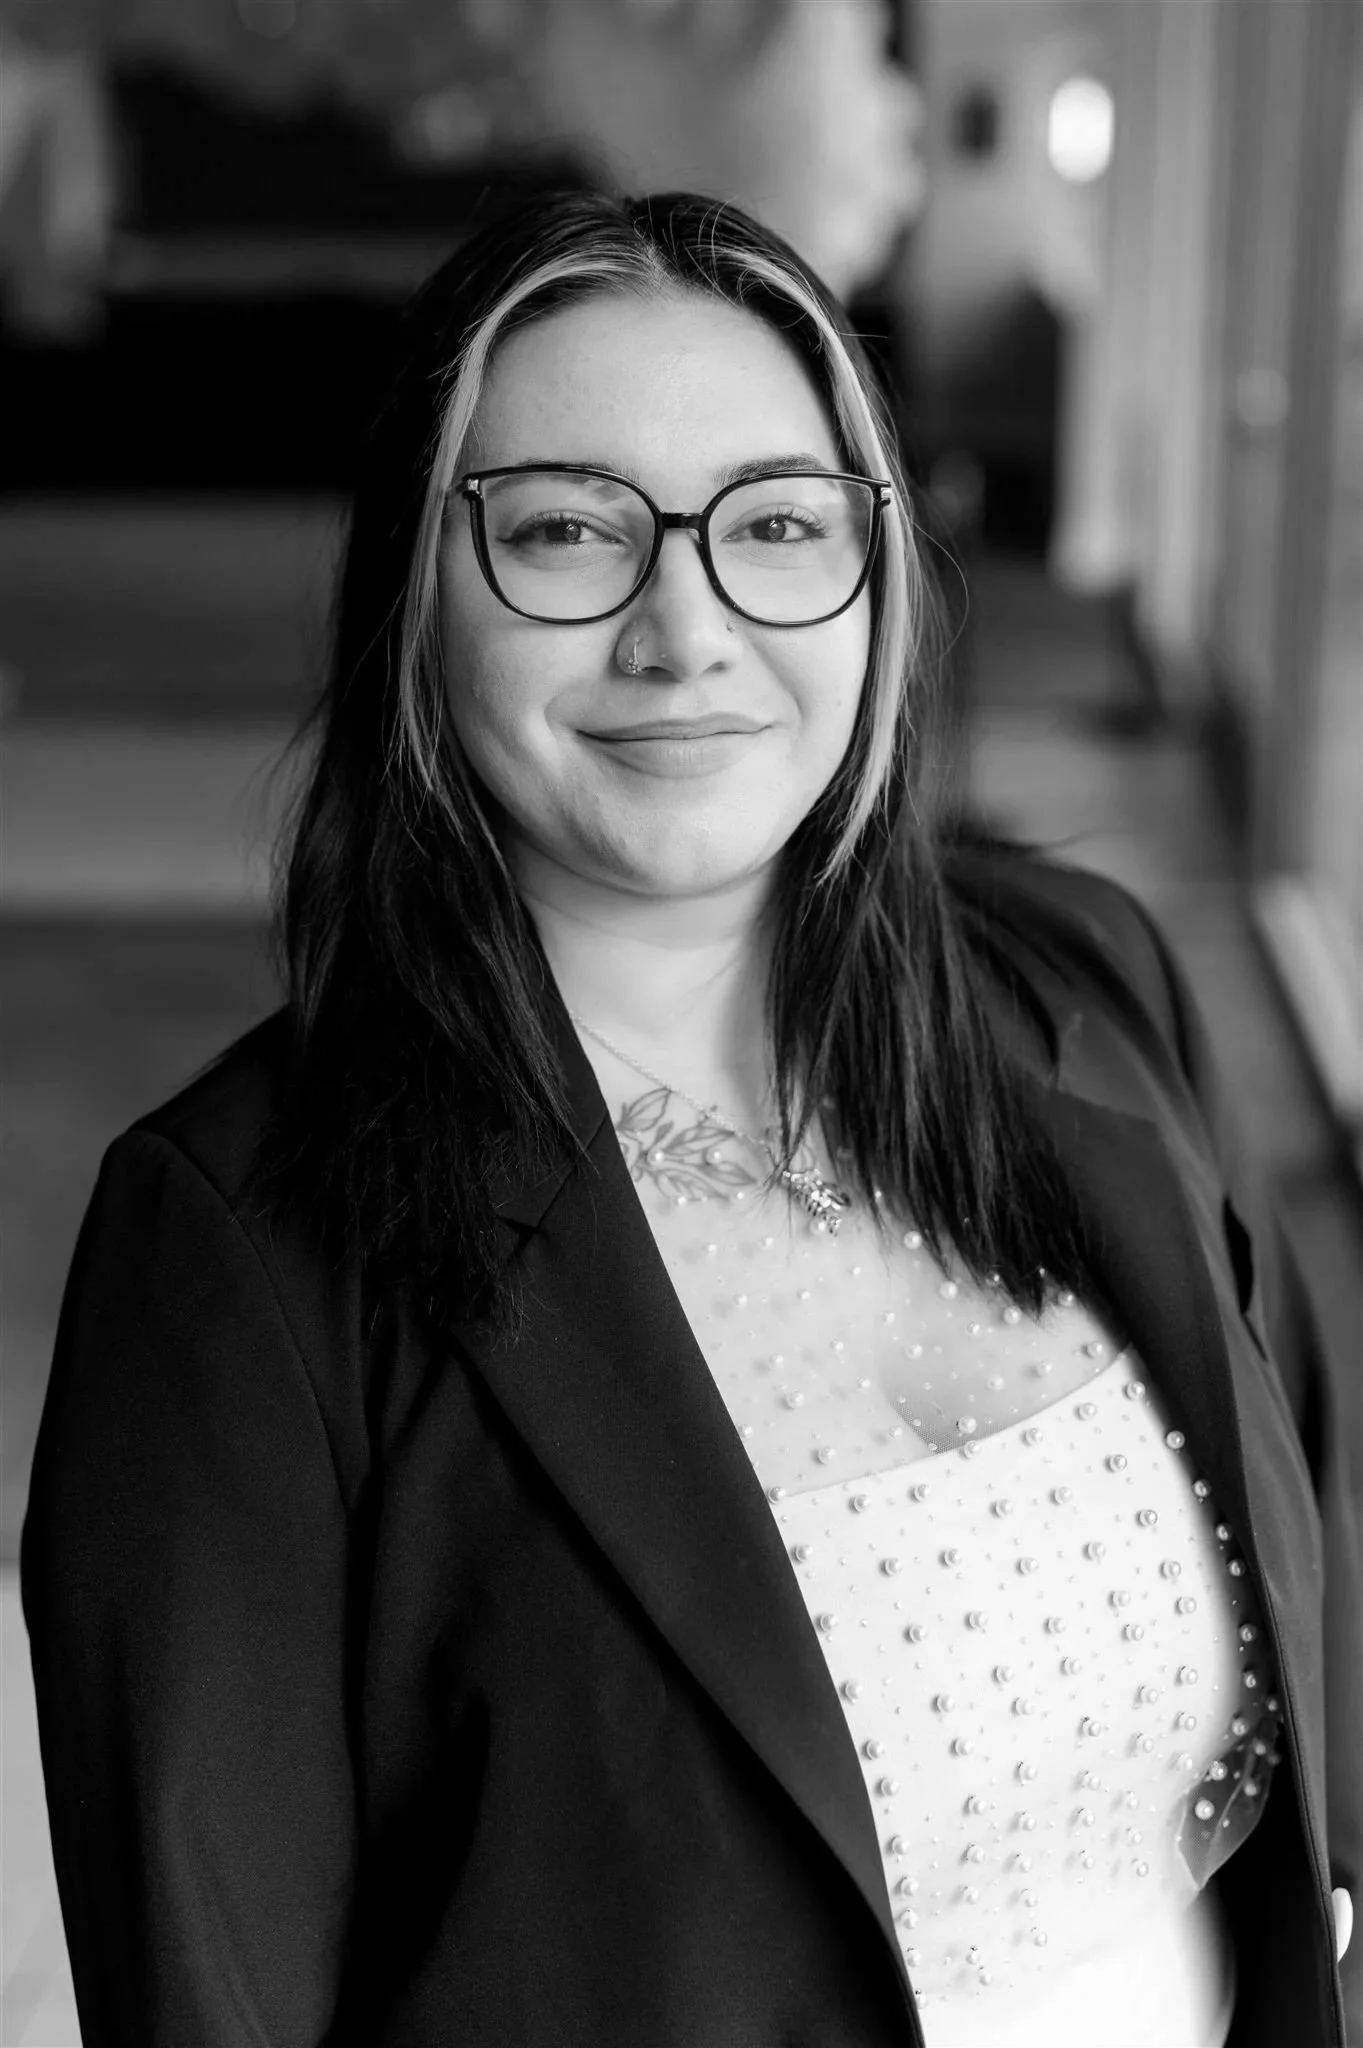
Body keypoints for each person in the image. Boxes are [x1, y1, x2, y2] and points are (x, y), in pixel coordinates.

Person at [20, 188, 1361, 2048]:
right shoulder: (236, 1250)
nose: (686, 628)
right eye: (567, 530)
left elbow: (1312, 1556)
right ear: (417, 593)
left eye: (777, 527)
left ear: (879, 576)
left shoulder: (1082, 980)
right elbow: (213, 1989)